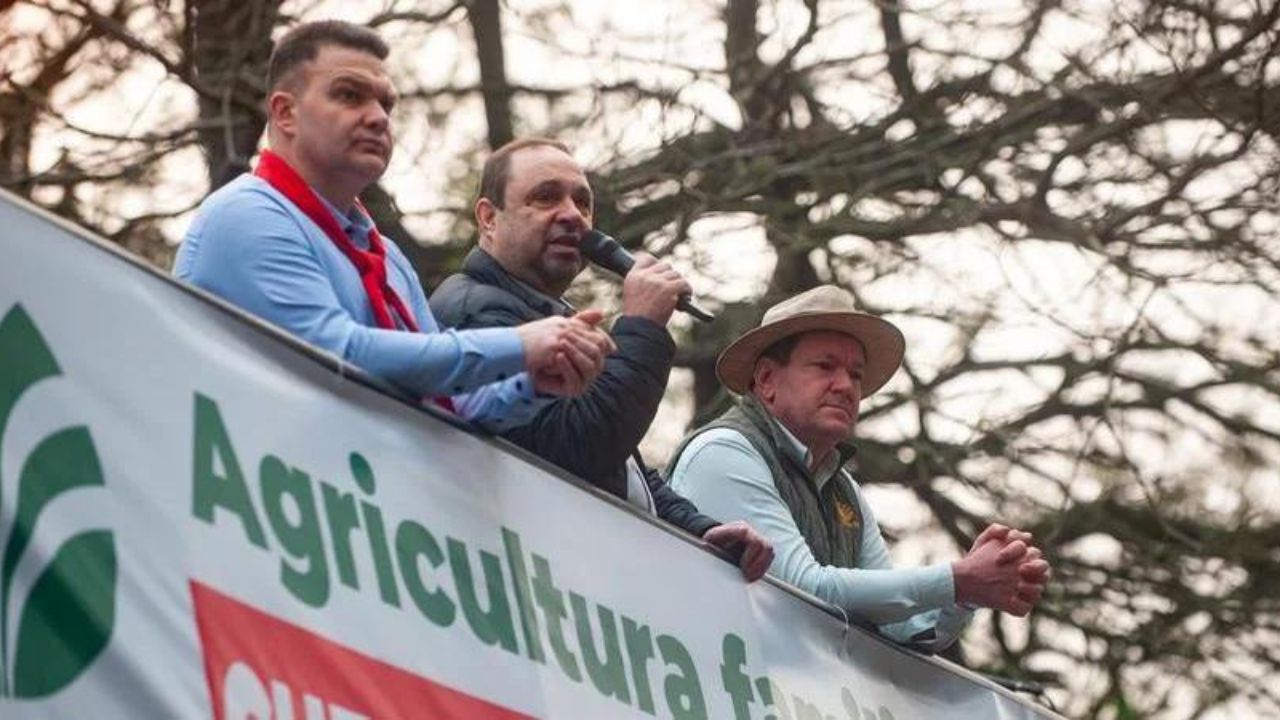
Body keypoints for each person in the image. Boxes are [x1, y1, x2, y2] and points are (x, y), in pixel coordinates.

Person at [174, 22, 613, 431]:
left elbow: (451, 402)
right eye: (350, 95)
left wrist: (534, 382)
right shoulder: (247, 214)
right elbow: (339, 357)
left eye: (386, 103)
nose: (379, 117)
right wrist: (519, 345)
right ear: (285, 113)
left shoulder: (388, 257)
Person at [430, 138, 773, 581]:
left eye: (583, 203)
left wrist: (701, 530)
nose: (573, 215)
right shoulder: (477, 311)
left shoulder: (551, 315)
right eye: (546, 197)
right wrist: (643, 327)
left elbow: (623, 468)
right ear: (489, 218)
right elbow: (581, 447)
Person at [666, 285, 1051, 650]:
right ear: (766, 379)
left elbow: (903, 628)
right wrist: (959, 580)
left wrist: (965, 595)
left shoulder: (843, 488)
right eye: (825, 366)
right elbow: (806, 592)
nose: (846, 386)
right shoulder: (724, 452)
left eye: (855, 374)